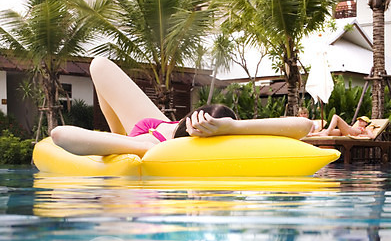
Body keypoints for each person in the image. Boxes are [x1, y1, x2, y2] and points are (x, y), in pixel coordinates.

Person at [51, 57, 312, 156]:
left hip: (148, 137)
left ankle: (117, 137)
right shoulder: (182, 128)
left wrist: (230, 128)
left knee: (99, 66)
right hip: (159, 124)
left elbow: (60, 134)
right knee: (99, 65)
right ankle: (117, 134)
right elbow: (306, 125)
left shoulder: (151, 146)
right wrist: (231, 125)